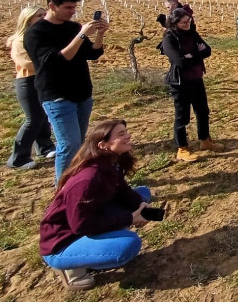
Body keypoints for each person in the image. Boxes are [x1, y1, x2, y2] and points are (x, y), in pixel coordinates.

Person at [39, 120, 153, 291]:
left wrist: (146, 210)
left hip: (91, 216)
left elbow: (123, 191)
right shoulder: (87, 179)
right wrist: (129, 218)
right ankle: (72, 267)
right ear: (103, 145)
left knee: (142, 194)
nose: (128, 136)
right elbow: (81, 225)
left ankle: (95, 248)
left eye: (126, 131)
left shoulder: (109, 163)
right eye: (121, 134)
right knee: (129, 244)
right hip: (63, 241)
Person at [24, 0, 107, 183]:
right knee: (68, 144)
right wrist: (80, 36)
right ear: (52, 6)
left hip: (82, 93)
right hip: (57, 95)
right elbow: (58, 60)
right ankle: (62, 189)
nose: (73, 12)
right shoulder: (36, 33)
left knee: (78, 143)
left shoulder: (72, 27)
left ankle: (77, 182)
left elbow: (92, 53)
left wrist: (99, 34)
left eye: (74, 7)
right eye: (69, 7)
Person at [161, 8, 224, 161]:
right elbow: (179, 61)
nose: (187, 24)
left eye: (188, 21)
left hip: (197, 79)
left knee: (203, 111)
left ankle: (205, 140)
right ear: (175, 23)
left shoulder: (192, 34)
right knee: (182, 116)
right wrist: (196, 54)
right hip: (180, 83)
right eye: (183, 22)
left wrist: (191, 55)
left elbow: (207, 50)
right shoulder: (169, 38)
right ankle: (182, 148)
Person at [6, 6, 56, 170]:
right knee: (33, 119)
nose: (42, 18)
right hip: (27, 82)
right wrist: (52, 61)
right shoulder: (19, 40)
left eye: (44, 15)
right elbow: (25, 63)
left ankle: (44, 147)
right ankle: (18, 158)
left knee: (43, 115)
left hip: (41, 79)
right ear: (27, 19)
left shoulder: (41, 36)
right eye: (38, 16)